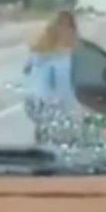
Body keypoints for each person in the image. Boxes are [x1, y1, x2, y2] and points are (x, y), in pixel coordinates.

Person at [22, 10, 83, 144]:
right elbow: (28, 76)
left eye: (69, 26)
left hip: (66, 117)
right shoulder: (40, 53)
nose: (65, 30)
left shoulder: (76, 54)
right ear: (53, 28)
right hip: (48, 113)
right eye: (61, 25)